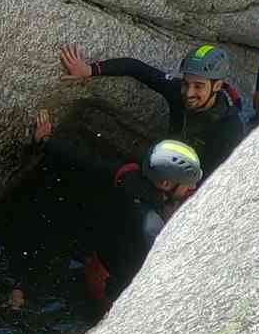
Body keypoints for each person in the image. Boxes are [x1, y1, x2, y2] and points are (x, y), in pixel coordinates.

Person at [34, 112, 203, 321]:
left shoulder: (128, 176)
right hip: (112, 286)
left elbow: (87, 162)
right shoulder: (150, 225)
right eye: (188, 183)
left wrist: (46, 141)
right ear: (165, 184)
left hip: (97, 262)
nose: (193, 187)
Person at [56, 41, 247, 175]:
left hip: (186, 187)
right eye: (186, 83)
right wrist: (90, 70)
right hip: (163, 169)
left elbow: (218, 179)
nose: (188, 93)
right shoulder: (178, 92)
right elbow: (136, 68)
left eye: (199, 86)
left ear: (218, 85)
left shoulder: (228, 129)